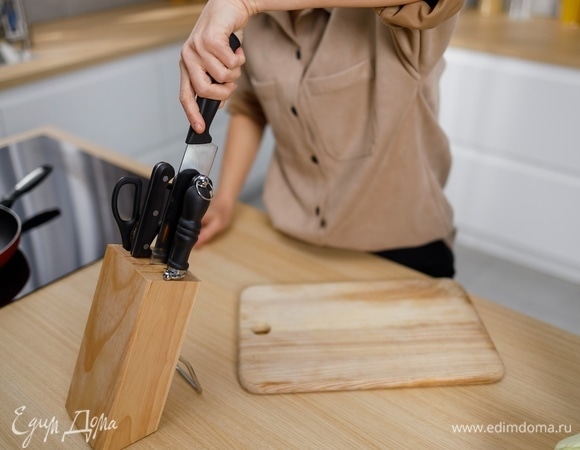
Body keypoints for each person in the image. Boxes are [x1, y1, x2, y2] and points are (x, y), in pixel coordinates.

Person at [178, 0, 464, 278]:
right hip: (296, 239)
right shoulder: (256, 21)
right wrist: (226, 199)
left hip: (402, 246)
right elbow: (251, 107)